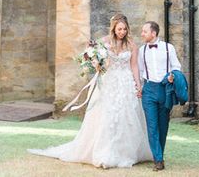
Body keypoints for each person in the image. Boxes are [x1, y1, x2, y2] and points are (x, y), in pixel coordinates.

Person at [28, 14, 153, 168]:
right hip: (109, 82)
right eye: (119, 29)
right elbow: (90, 53)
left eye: (125, 29)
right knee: (107, 115)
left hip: (125, 83)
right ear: (113, 28)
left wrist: (138, 84)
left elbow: (134, 66)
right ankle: (105, 152)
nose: (122, 32)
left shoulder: (132, 45)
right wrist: (96, 62)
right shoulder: (104, 41)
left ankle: (126, 153)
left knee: (127, 115)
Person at [138, 21, 182, 172]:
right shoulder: (141, 50)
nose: (142, 34)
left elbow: (176, 67)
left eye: (144, 31)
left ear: (153, 33)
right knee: (152, 126)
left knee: (163, 126)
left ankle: (159, 154)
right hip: (148, 90)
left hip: (165, 89)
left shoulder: (169, 48)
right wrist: (139, 87)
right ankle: (158, 160)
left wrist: (171, 76)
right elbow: (140, 70)